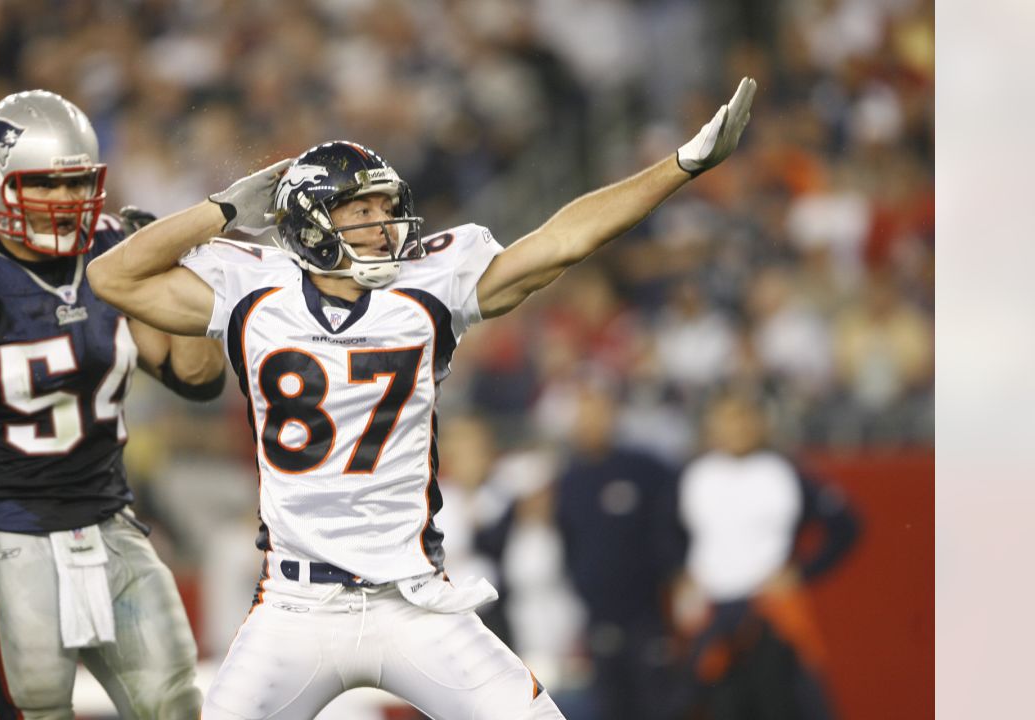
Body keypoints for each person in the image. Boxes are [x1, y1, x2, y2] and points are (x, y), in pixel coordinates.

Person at [88, 78, 757, 720]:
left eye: (385, 207)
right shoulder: (251, 288)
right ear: (311, 221)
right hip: (295, 606)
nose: (383, 224)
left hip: (413, 601)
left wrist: (681, 165)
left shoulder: (428, 285)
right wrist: (222, 209)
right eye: (362, 210)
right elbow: (110, 274)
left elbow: (560, 241)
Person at [0, 89, 225, 720]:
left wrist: (186, 276)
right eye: (45, 185)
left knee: (175, 704)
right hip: (6, 532)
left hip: (111, 521)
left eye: (77, 185)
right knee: (36, 710)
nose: (66, 203)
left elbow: (194, 377)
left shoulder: (116, 252)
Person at [672, 389, 860, 720]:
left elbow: (845, 526)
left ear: (760, 423)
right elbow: (665, 533)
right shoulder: (694, 475)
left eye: (743, 417)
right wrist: (679, 575)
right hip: (714, 611)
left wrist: (803, 571)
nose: (736, 428)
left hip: (767, 611)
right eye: (727, 419)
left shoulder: (783, 472)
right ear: (711, 427)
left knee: (781, 705)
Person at [553, 382, 685, 720]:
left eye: (598, 414)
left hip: (648, 615)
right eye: (584, 416)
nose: (591, 423)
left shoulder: (646, 470)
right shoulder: (570, 480)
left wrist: (676, 573)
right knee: (610, 707)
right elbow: (568, 542)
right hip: (599, 616)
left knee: (658, 705)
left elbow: (676, 527)